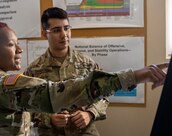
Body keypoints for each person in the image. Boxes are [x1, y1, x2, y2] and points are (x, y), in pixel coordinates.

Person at [0, 21, 167, 136]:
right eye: (11, 45)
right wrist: (138, 75)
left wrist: (89, 113)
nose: (19, 50)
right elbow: (57, 93)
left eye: (66, 28)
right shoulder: (3, 85)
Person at [23, 7, 167, 136]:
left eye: (67, 28)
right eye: (56, 30)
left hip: (84, 132)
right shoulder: (34, 70)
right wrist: (49, 119)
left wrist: (90, 113)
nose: (64, 34)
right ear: (44, 34)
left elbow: (104, 95)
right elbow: (24, 107)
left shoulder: (87, 64)